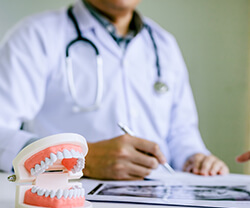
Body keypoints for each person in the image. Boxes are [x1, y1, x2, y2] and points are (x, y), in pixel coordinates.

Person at [0, 0, 229, 179]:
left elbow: (182, 133)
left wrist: (196, 158)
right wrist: (78, 158)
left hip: (159, 205)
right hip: (69, 199)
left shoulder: (163, 43)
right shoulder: (36, 35)